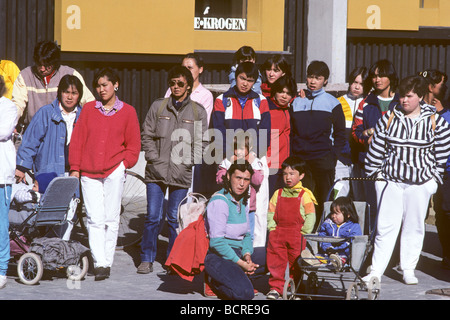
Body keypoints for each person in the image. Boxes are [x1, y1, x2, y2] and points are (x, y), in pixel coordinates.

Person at [363, 75, 450, 285]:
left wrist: (432, 182)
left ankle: (408, 268)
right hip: (391, 182)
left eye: (409, 96)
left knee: (414, 227)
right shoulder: (389, 118)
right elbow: (377, 149)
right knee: (385, 227)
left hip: (419, 184)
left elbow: (442, 153)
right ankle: (376, 270)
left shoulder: (435, 121)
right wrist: (376, 177)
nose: (404, 100)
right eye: (402, 96)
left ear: (420, 97)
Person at [69, 67, 141, 281]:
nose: (101, 89)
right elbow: (78, 140)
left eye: (105, 85)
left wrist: (124, 164)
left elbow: (134, 144)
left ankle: (105, 263)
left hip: (114, 170)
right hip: (89, 172)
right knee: (94, 218)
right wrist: (75, 167)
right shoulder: (89, 109)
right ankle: (99, 261)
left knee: (111, 217)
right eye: (98, 86)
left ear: (115, 85)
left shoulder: (128, 111)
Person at [139, 65, 208, 275]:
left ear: (188, 85)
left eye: (180, 83)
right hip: (156, 172)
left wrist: (188, 162)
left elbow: (202, 142)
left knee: (173, 218)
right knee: (152, 217)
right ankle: (146, 258)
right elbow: (147, 134)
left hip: (181, 174)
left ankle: (172, 260)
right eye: (172, 83)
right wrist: (152, 157)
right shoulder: (158, 107)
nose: (176, 86)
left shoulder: (198, 111)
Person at [211, 61, 271, 248]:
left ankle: (256, 250)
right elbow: (217, 130)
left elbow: (266, 132)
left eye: (250, 80)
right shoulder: (222, 100)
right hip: (231, 157)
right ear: (236, 76)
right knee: (230, 202)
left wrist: (252, 156)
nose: (245, 83)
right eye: (242, 78)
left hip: (255, 158)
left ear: (255, 81)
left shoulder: (261, 100)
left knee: (258, 208)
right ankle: (228, 247)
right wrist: (234, 156)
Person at [289, 60, 346, 229]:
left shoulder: (333, 103)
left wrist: (332, 157)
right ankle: (302, 237)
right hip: (301, 162)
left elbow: (340, 135)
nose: (313, 81)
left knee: (325, 201)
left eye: (318, 78)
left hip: (323, 160)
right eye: (310, 77)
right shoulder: (296, 101)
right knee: (302, 201)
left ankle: (325, 235)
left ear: (325, 81)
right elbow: (292, 132)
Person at [204, 161, 262, 300]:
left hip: (238, 253)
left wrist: (247, 255)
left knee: (272, 255)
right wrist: (242, 263)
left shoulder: (242, 201)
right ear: (229, 176)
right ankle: (213, 281)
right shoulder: (220, 201)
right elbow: (217, 243)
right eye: (238, 178)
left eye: (246, 179)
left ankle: (239, 276)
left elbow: (247, 234)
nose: (242, 184)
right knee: (245, 294)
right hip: (218, 256)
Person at [351, 60, 399, 225]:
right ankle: (371, 245)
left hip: (396, 165)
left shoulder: (401, 102)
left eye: (382, 75)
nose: (377, 79)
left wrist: (371, 130)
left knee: (393, 208)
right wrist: (367, 136)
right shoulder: (365, 103)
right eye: (374, 76)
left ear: (391, 77)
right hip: (370, 162)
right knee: (372, 206)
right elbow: (356, 132)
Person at [12, 41, 94, 129]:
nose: (42, 69)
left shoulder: (71, 74)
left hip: (64, 129)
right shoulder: (25, 76)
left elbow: (89, 102)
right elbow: (17, 105)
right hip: (33, 129)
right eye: (39, 64)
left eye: (47, 65)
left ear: (55, 63)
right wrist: (10, 124)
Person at [266, 156, 316, 300]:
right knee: (276, 261)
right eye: (285, 174)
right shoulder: (278, 193)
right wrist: (272, 228)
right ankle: (276, 288)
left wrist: (304, 233)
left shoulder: (305, 195)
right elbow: (271, 212)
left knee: (296, 263)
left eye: (292, 173)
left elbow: (310, 215)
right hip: (278, 233)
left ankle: (296, 288)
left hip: (296, 234)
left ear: (301, 175)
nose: (288, 177)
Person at [421, 69, 450, 269]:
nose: (445, 87)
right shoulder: (415, 105)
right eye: (442, 84)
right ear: (432, 87)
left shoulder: (445, 109)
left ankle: (447, 255)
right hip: (422, 169)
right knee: (436, 213)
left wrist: (441, 112)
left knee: (444, 211)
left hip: (445, 169)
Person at [216, 133, 264, 241]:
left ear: (250, 148)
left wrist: (249, 166)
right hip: (230, 204)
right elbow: (219, 179)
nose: (238, 152)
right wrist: (230, 170)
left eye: (241, 148)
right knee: (230, 231)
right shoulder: (228, 161)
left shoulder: (255, 162)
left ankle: (247, 255)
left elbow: (257, 180)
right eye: (235, 148)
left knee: (248, 234)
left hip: (247, 205)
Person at [334, 67, 370, 199]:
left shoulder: (368, 104)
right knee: (339, 195)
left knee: (360, 197)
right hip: (342, 159)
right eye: (355, 82)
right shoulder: (338, 102)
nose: (357, 87)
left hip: (360, 160)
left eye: (361, 84)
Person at [0, 75, 19, 289]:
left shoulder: (8, 107)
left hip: (0, 177)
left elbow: (4, 131)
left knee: (0, 225)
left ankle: (1, 269)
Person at [266, 75, 297, 197]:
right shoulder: (267, 109)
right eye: (281, 92)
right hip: (270, 165)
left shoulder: (287, 110)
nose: (284, 96)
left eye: (288, 93)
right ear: (275, 92)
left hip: (284, 165)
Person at [164, 53, 214, 124]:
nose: (186, 71)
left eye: (190, 68)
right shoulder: (172, 89)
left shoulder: (205, 95)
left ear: (200, 69)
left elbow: (202, 124)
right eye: (184, 68)